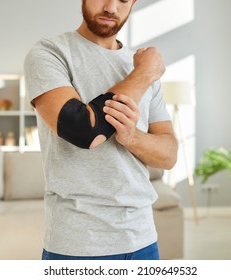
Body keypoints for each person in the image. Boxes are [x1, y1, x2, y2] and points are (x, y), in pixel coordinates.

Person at [24, 0, 178, 260]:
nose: (111, 7)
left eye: (123, 0)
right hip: (79, 245)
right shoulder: (50, 53)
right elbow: (83, 130)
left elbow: (168, 155)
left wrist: (132, 138)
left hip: (142, 239)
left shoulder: (142, 68)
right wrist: (143, 74)